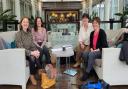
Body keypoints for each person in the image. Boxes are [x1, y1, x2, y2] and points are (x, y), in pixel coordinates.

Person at [15, 17, 55, 85]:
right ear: (21, 23)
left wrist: (36, 51)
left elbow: (32, 44)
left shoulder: (29, 33)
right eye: (24, 22)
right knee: (32, 57)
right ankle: (32, 75)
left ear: (28, 24)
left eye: (27, 22)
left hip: (31, 51)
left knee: (38, 53)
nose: (25, 23)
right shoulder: (18, 34)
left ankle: (40, 70)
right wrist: (32, 52)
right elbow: (20, 48)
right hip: (22, 54)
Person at [81, 17, 108, 81]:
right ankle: (90, 70)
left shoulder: (102, 32)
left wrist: (95, 50)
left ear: (99, 24)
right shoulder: (92, 33)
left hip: (101, 51)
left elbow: (105, 45)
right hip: (94, 51)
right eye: (93, 23)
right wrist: (91, 49)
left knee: (91, 54)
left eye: (96, 23)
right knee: (84, 54)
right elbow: (91, 45)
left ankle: (87, 73)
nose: (94, 24)